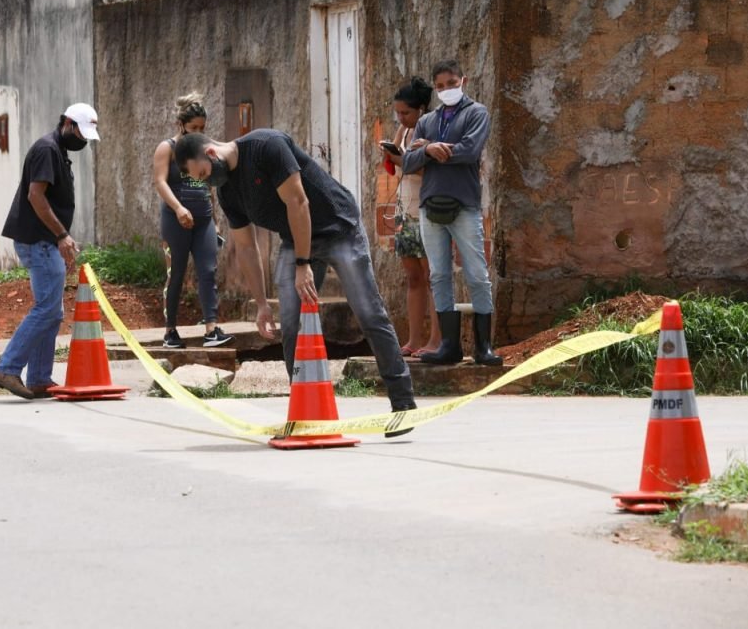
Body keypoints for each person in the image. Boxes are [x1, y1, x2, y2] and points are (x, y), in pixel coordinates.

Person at [174, 129, 418, 438]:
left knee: (369, 314)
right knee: (290, 324)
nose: (208, 182)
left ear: (211, 154)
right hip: (296, 238)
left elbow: (298, 201)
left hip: (338, 227)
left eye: (204, 174)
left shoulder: (267, 146)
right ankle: (304, 413)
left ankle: (403, 404)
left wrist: (303, 265)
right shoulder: (228, 193)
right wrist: (262, 304)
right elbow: (247, 248)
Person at [0, 103, 99, 399]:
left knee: (52, 310)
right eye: (81, 133)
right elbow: (35, 196)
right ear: (66, 123)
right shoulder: (47, 149)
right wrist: (62, 235)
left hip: (45, 240)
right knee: (48, 308)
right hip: (38, 240)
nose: (83, 140)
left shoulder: (58, 152)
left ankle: (38, 378)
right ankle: (8, 368)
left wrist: (62, 238)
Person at [396, 60, 502, 366]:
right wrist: (427, 150)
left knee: (477, 275)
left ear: (463, 81)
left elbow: (470, 150)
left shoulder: (476, 113)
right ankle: (448, 346)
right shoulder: (427, 120)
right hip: (431, 206)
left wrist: (433, 148)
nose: (446, 90)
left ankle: (484, 347)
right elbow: (410, 161)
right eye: (440, 86)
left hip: (465, 205)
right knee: (438, 275)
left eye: (452, 83)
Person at [152, 93, 233, 349]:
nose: (198, 132)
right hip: (176, 220)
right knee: (174, 274)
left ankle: (211, 328)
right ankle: (170, 331)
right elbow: (160, 182)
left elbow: (207, 181)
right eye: (193, 128)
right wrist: (178, 209)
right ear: (181, 125)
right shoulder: (168, 148)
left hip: (203, 220)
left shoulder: (202, 148)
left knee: (208, 270)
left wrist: (215, 219)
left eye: (202, 128)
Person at [381, 77, 441, 357]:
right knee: (413, 277)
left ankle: (436, 340)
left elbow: (429, 169)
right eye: (398, 113)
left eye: (406, 113)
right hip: (406, 210)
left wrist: (400, 160)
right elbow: (399, 164)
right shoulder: (403, 132)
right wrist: (392, 153)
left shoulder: (431, 129)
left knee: (433, 277)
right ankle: (414, 339)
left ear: (421, 109)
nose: (401, 118)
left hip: (428, 210)